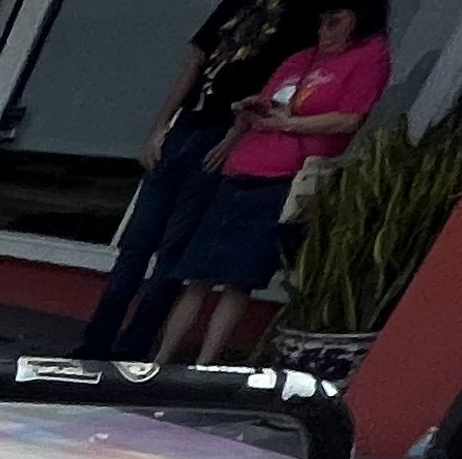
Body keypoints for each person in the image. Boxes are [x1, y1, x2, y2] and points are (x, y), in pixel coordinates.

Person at [155, 0, 391, 367]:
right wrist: (251, 112)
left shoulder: (369, 56)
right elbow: (270, 99)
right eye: (320, 22)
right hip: (242, 168)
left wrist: (289, 124)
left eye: (334, 21)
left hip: (283, 179)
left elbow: (348, 120)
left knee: (238, 282)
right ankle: (162, 358)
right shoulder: (301, 58)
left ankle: (205, 364)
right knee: (195, 275)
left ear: (357, 20)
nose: (323, 30)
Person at [81, 0, 304, 360]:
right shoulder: (235, 6)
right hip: (184, 128)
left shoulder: (300, 16)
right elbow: (194, 64)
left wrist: (234, 136)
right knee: (136, 244)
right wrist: (159, 127)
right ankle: (94, 346)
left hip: (220, 133)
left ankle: (133, 350)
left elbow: (278, 87)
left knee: (173, 249)